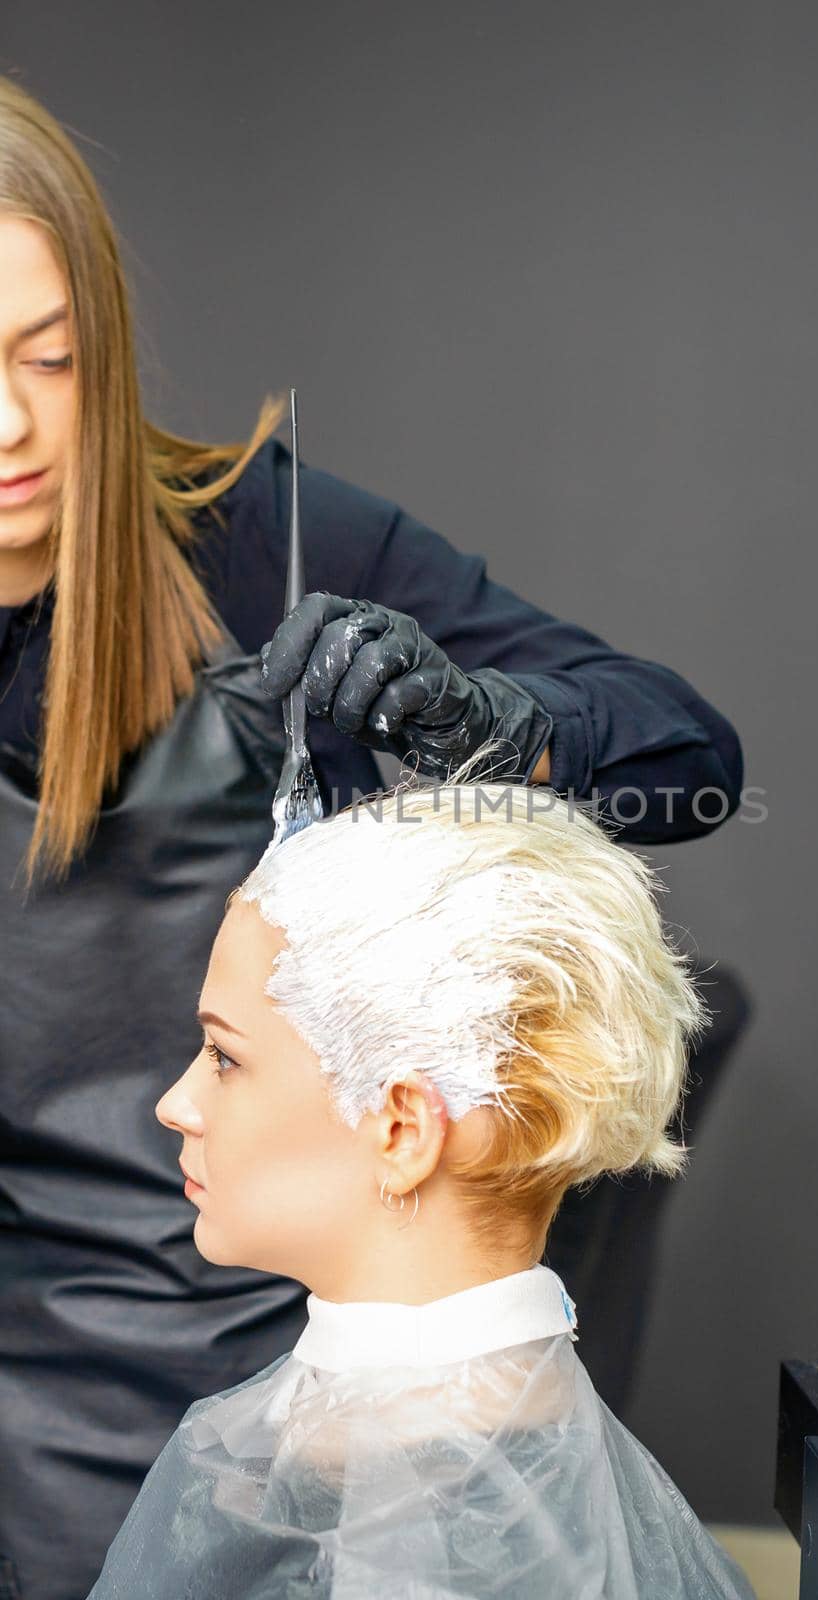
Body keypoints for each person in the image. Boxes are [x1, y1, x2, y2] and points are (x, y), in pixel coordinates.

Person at [0, 74, 744, 1600]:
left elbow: (687, 759)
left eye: (52, 359)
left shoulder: (253, 543)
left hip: (263, 1409)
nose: (12, 424)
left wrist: (485, 726)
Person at [88, 753, 756, 1599]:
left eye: (223, 1056)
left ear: (402, 1129)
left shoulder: (381, 1513)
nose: (174, 1104)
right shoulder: (555, 1476)